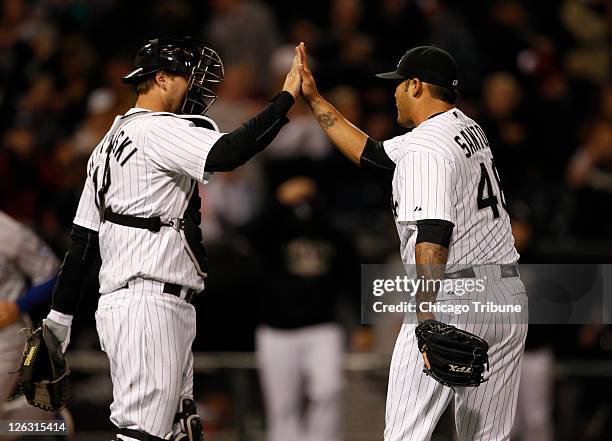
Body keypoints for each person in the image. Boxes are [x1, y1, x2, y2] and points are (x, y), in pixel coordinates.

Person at [40, 36, 303, 441]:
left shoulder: (106, 145)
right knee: (142, 434)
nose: (196, 90)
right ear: (161, 78)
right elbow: (229, 152)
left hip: (146, 302)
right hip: (148, 303)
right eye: (190, 79)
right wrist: (285, 99)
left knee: (181, 431)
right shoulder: (156, 129)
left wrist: (58, 323)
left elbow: (82, 244)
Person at [297, 42, 528, 440]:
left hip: (454, 295)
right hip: (505, 296)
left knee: (406, 436)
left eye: (399, 84)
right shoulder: (464, 127)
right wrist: (316, 100)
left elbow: (434, 232)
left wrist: (425, 316)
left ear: (417, 86)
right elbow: (372, 156)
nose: (394, 92)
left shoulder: (425, 147)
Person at [249, 175, 358, 441]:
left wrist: (363, 324)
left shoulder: (331, 230)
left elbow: (353, 275)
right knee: (282, 406)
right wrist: (277, 202)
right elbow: (247, 234)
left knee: (328, 390)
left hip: (323, 327)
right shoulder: (272, 228)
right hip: (276, 330)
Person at [0, 211, 63, 437]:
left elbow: (51, 271)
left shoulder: (8, 231)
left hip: (5, 336)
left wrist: (19, 305)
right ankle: (44, 419)